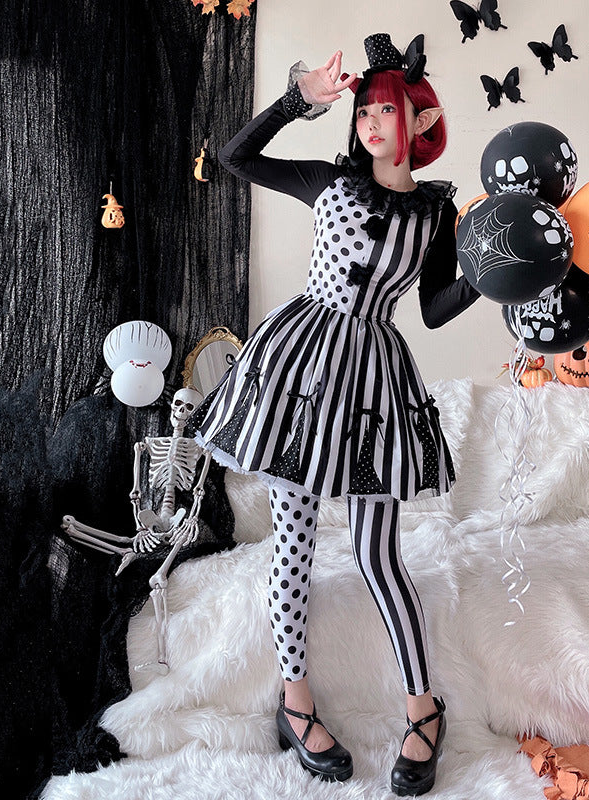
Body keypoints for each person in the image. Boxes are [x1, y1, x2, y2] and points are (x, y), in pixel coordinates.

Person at [188, 33, 480, 796]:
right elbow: (236, 159)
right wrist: (299, 100)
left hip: (374, 380)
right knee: (293, 538)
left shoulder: (438, 211)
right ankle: (296, 702)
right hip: (303, 369)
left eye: (386, 111)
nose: (371, 123)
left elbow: (436, 308)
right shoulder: (329, 181)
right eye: (364, 111)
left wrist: (487, 271)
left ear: (422, 121)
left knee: (379, 552)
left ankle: (424, 709)